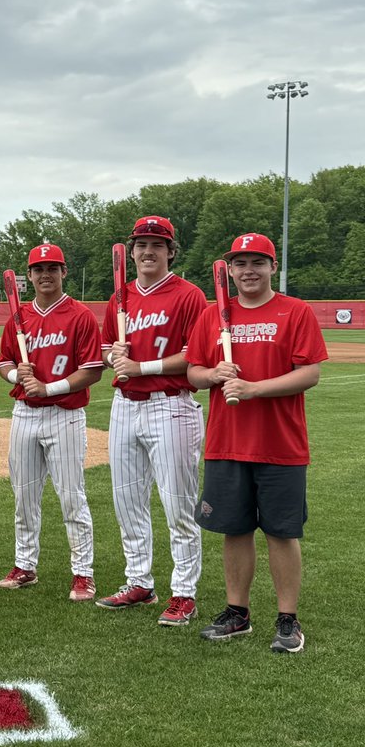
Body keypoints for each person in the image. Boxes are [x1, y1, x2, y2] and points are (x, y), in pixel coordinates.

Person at [187, 233, 326, 653]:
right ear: (229, 270)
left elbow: (309, 374)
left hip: (280, 444)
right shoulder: (214, 315)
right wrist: (212, 375)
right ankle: (237, 613)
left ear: (272, 267)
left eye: (257, 263)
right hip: (226, 444)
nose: (248, 271)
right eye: (240, 264)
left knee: (282, 533)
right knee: (234, 530)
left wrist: (254, 389)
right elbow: (193, 372)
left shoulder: (295, 311)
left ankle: (288, 620)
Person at [96, 217, 208, 625]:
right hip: (125, 404)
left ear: (170, 251)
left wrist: (140, 365)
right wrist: (115, 356)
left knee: (177, 503)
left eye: (156, 245)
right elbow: (108, 349)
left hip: (171, 404)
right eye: (141, 244)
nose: (147, 251)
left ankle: (184, 592)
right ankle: (139, 581)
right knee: (127, 500)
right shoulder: (120, 296)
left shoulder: (190, 296)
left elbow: (196, 357)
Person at [0, 244, 103, 601]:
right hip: (25, 413)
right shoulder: (18, 317)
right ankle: (25, 565)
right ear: (29, 275)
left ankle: (83, 573)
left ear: (64, 272)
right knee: (24, 496)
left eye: (52, 268)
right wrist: (16, 377)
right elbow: (4, 364)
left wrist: (47, 387)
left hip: (66, 415)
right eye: (38, 269)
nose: (45, 275)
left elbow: (91, 371)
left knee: (72, 497)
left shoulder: (80, 315)